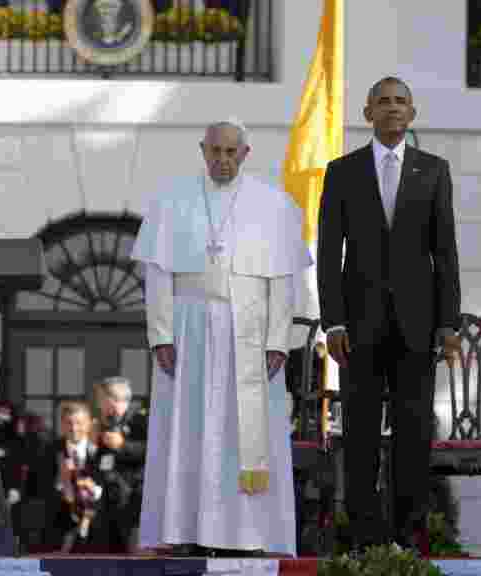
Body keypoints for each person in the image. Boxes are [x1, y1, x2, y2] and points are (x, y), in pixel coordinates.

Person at [131, 118, 311, 557]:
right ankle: (182, 530)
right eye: (216, 151)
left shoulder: (275, 205)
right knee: (187, 429)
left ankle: (251, 535)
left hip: (251, 333)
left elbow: (284, 283)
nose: (223, 159)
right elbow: (156, 274)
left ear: (245, 153)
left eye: (232, 152)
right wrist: (161, 335)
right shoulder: (171, 201)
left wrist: (276, 341)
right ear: (203, 149)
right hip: (188, 329)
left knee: (244, 435)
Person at [316, 76, 462, 554]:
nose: (393, 108)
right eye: (384, 102)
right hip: (357, 329)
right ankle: (363, 539)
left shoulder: (435, 171)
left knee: (413, 434)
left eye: (401, 102)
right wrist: (332, 321)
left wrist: (449, 323)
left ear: (412, 114)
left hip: (418, 328)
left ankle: (406, 538)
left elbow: (446, 252)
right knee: (359, 435)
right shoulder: (341, 171)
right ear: (368, 113)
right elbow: (328, 252)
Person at [90, 376, 148, 553]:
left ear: (113, 400)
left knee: (134, 559)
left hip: (133, 501)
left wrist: (123, 445)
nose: (99, 405)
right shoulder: (106, 423)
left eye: (101, 400)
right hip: (109, 500)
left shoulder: (141, 420)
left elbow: (154, 452)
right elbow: (101, 462)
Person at [45, 401, 106, 552]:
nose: (73, 428)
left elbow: (112, 491)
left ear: (89, 424)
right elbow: (38, 489)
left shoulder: (102, 450)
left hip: (98, 532)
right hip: (59, 530)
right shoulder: (49, 450)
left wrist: (95, 490)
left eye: (79, 423)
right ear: (61, 424)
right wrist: (61, 482)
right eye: (68, 423)